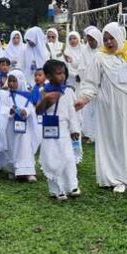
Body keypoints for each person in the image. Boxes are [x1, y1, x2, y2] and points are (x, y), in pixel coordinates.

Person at [76, 22, 127, 193]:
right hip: (110, 110)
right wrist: (83, 98)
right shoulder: (99, 57)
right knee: (115, 141)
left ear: (119, 37)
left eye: (111, 38)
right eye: (105, 39)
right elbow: (91, 82)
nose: (108, 42)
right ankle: (118, 177)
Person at [35, 60, 81, 200]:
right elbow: (38, 111)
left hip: (64, 130)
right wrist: (46, 100)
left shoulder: (68, 91)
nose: (62, 77)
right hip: (49, 128)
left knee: (67, 157)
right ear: (48, 76)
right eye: (58, 73)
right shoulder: (43, 91)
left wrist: (74, 129)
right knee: (52, 158)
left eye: (63, 73)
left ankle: (72, 185)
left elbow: (72, 112)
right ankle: (56, 189)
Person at [0, 70, 39, 182]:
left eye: (14, 81)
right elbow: (2, 109)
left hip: (24, 128)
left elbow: (32, 110)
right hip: (11, 126)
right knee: (13, 147)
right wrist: (9, 111)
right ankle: (14, 170)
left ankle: (28, 172)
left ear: (20, 81)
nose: (11, 84)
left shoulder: (27, 95)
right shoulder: (6, 96)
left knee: (25, 148)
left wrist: (25, 111)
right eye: (9, 81)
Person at [80, 26, 103, 143]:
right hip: (88, 85)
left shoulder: (103, 50)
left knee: (100, 111)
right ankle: (88, 134)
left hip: (102, 86)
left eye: (93, 40)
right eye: (89, 40)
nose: (91, 42)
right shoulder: (84, 50)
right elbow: (82, 68)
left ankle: (100, 134)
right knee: (88, 110)